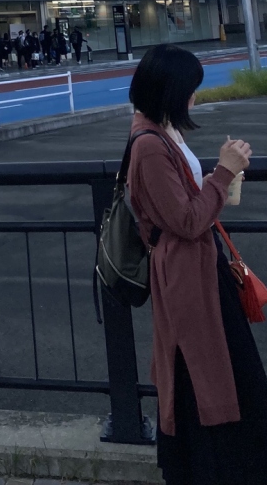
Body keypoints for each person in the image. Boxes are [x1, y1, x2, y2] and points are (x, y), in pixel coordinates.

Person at [126, 44, 267, 483]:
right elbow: (186, 221)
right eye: (190, 89)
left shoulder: (158, 130)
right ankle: (219, 470)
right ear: (169, 91)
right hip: (188, 277)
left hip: (199, 271)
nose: (194, 97)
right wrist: (222, 174)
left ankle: (217, 467)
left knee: (212, 371)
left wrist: (214, 181)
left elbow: (179, 204)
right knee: (211, 372)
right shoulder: (150, 145)